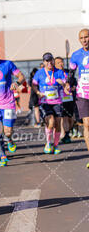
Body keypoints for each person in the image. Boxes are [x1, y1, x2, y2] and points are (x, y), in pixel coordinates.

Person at [31, 53, 68, 154]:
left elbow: (66, 85)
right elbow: (33, 85)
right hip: (45, 102)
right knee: (50, 122)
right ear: (44, 62)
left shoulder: (59, 72)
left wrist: (63, 83)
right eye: (47, 61)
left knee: (58, 124)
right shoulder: (39, 73)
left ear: (53, 60)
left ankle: (56, 145)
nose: (49, 62)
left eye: (51, 60)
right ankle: (48, 143)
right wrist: (38, 92)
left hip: (58, 101)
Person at [69, 29, 89, 168]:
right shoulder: (76, 55)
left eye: (86, 37)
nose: (84, 40)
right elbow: (71, 74)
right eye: (81, 38)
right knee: (87, 124)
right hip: (83, 94)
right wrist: (68, 85)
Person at [54, 56, 75, 144]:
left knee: (71, 118)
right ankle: (65, 135)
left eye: (61, 62)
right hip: (60, 98)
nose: (61, 64)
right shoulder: (54, 73)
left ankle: (68, 132)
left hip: (70, 98)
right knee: (64, 118)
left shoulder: (68, 72)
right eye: (58, 62)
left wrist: (73, 87)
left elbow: (74, 81)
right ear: (55, 64)